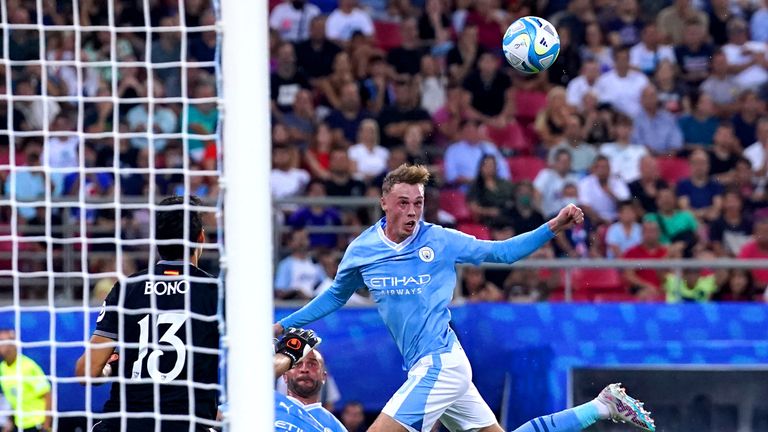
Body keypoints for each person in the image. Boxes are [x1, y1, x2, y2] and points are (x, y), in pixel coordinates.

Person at [274, 164, 655, 432]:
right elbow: (335, 297)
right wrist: (286, 324)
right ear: (384, 203)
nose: (412, 212)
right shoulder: (362, 250)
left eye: (419, 203)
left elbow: (501, 253)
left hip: (441, 363)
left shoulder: (439, 239)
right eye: (404, 203)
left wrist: (553, 226)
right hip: (428, 365)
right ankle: (602, 405)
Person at [75, 195, 220, 432]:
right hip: (186, 424)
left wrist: (110, 368)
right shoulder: (215, 292)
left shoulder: (127, 288)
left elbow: (87, 372)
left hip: (125, 423)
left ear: (158, 241)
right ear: (200, 238)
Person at [281, 349, 346, 432]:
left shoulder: (336, 428)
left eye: (312, 364)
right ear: (285, 376)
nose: (304, 369)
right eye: (297, 364)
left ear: (324, 377)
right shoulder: (266, 409)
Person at [0, 329, 52, 432]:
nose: (5, 345)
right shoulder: (2, 368)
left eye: (9, 340)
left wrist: (45, 427)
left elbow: (47, 395)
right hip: (19, 425)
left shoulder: (28, 367)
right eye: (1, 341)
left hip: (37, 425)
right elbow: (13, 399)